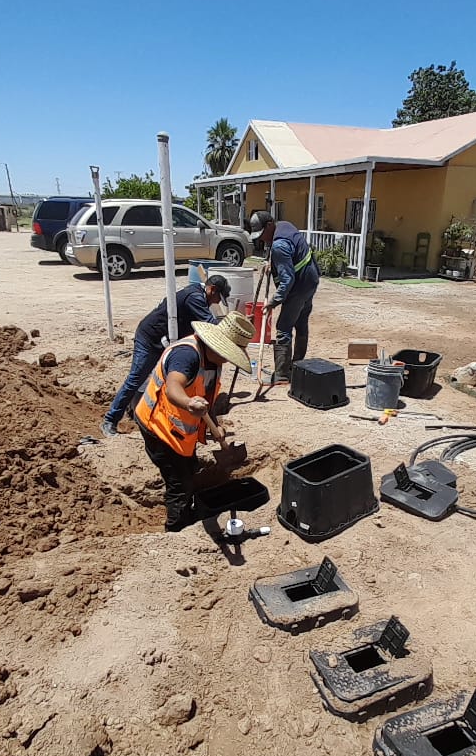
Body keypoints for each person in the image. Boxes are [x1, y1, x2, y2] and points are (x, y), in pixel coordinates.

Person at [134, 311, 253, 532]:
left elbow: (205, 397)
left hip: (178, 430)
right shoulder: (186, 356)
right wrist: (189, 404)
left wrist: (215, 425)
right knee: (179, 483)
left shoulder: (213, 361)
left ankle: (189, 499)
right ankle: (176, 528)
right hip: (158, 427)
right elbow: (173, 387)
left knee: (189, 469)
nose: (228, 360)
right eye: (228, 354)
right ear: (217, 346)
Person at [100, 273, 228, 437]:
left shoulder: (198, 296)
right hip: (150, 339)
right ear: (212, 289)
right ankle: (110, 420)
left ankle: (142, 413)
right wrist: (233, 325)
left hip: (166, 341)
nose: (217, 302)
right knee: (136, 378)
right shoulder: (194, 297)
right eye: (218, 297)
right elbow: (210, 325)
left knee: (158, 380)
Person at [250, 211, 319, 382]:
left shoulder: (279, 245)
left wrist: (274, 301)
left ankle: (282, 374)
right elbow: (290, 255)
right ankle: (298, 366)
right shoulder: (284, 225)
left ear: (269, 225)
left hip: (299, 286)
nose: (262, 239)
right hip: (311, 280)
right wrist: (271, 264)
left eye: (262, 234)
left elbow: (287, 279)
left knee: (283, 327)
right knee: (301, 322)